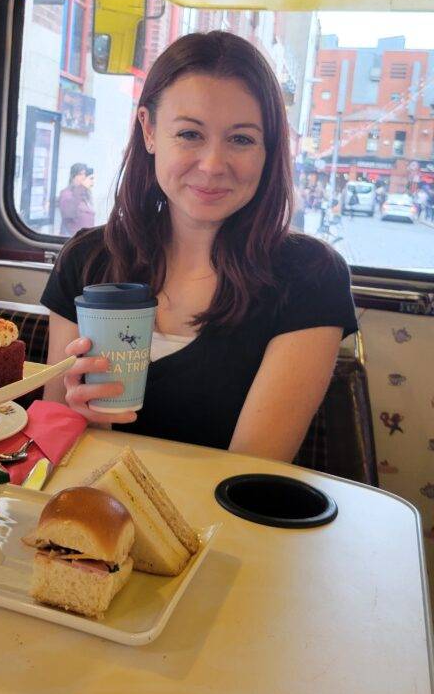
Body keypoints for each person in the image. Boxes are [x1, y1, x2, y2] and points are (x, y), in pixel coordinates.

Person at [42, 32, 357, 463]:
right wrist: (88, 417)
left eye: (241, 139)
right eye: (190, 134)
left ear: (269, 149)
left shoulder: (310, 277)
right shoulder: (86, 260)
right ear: (150, 131)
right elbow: (55, 448)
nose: (212, 165)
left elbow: (250, 472)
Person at [58, 163, 95, 237]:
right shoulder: (66, 193)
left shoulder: (85, 195)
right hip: (71, 239)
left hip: (85, 238)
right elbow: (68, 212)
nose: (83, 177)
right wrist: (82, 187)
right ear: (73, 176)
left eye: (85, 174)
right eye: (80, 174)